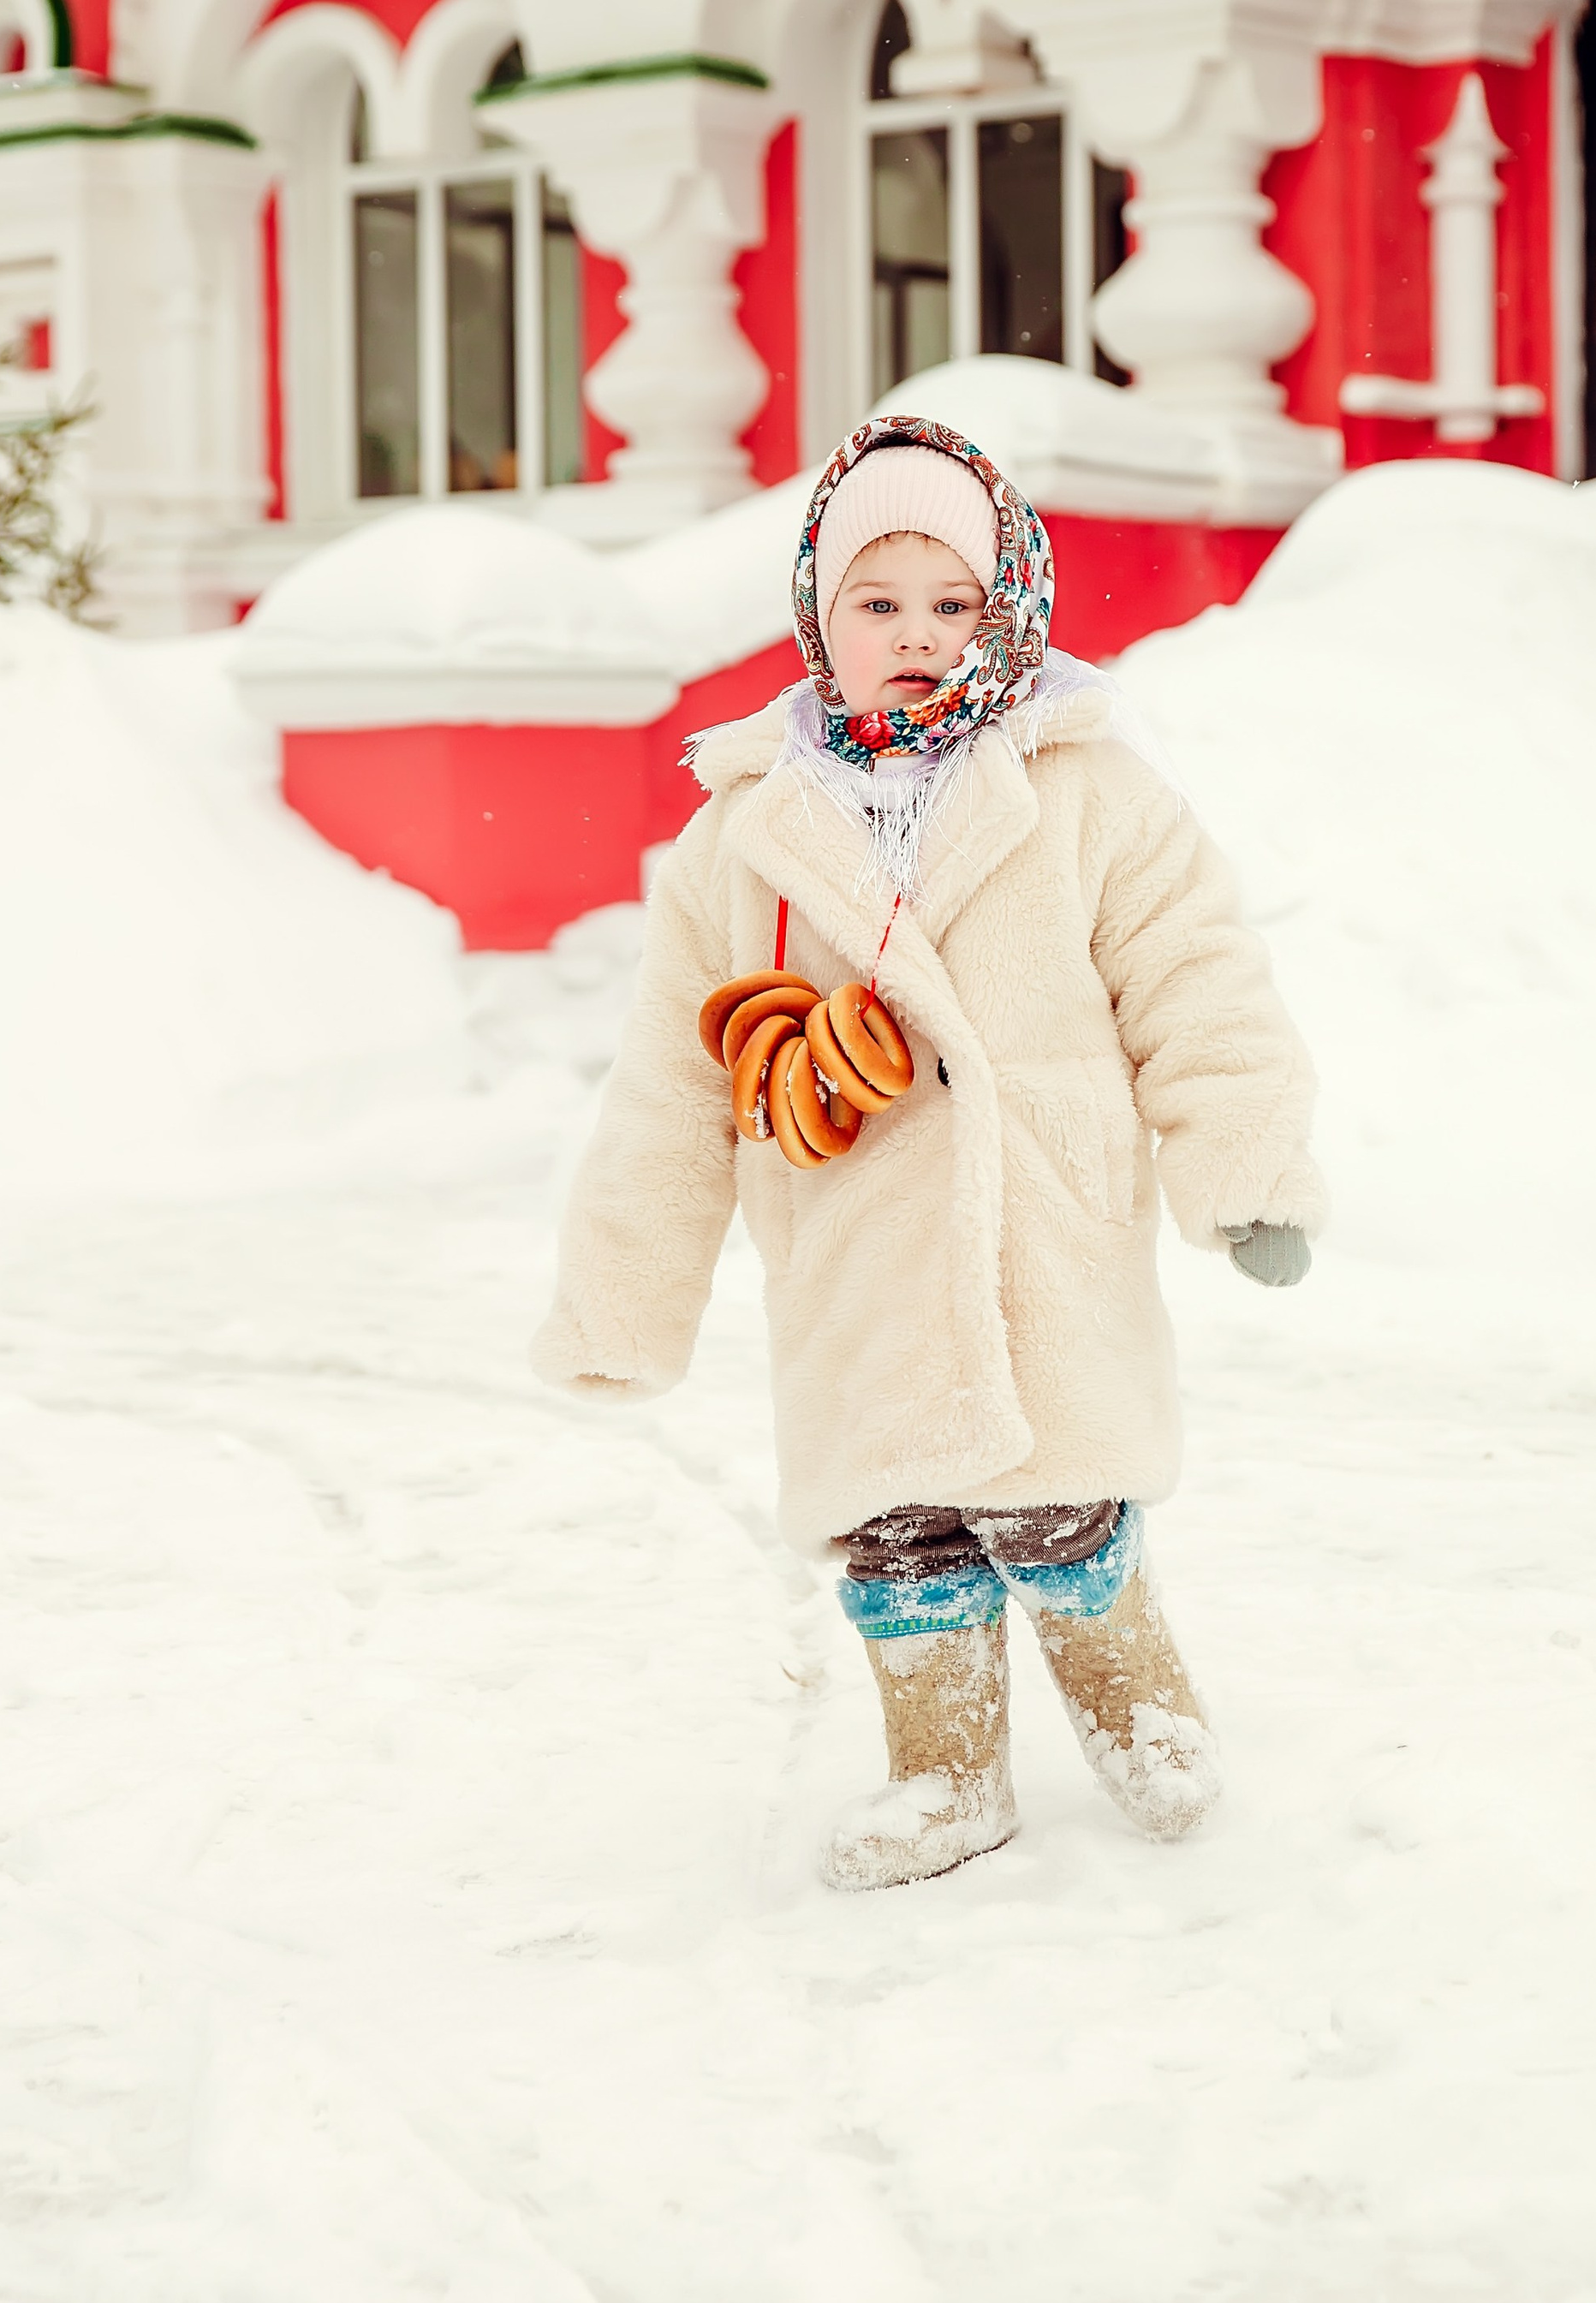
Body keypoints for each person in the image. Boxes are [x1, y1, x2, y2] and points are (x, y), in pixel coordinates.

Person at [530, 413, 1322, 1889]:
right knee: (899, 1524)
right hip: (852, 1230)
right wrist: (622, 1306)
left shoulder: (1088, 791)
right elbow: (665, 1083)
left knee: (1058, 1490)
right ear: (820, 618)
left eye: (952, 602)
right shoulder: (746, 830)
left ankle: (1141, 1707)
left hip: (1043, 1216)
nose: (914, 634)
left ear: (1010, 602)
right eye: (875, 602)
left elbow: (1200, 980)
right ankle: (946, 1772)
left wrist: (1247, 1167)